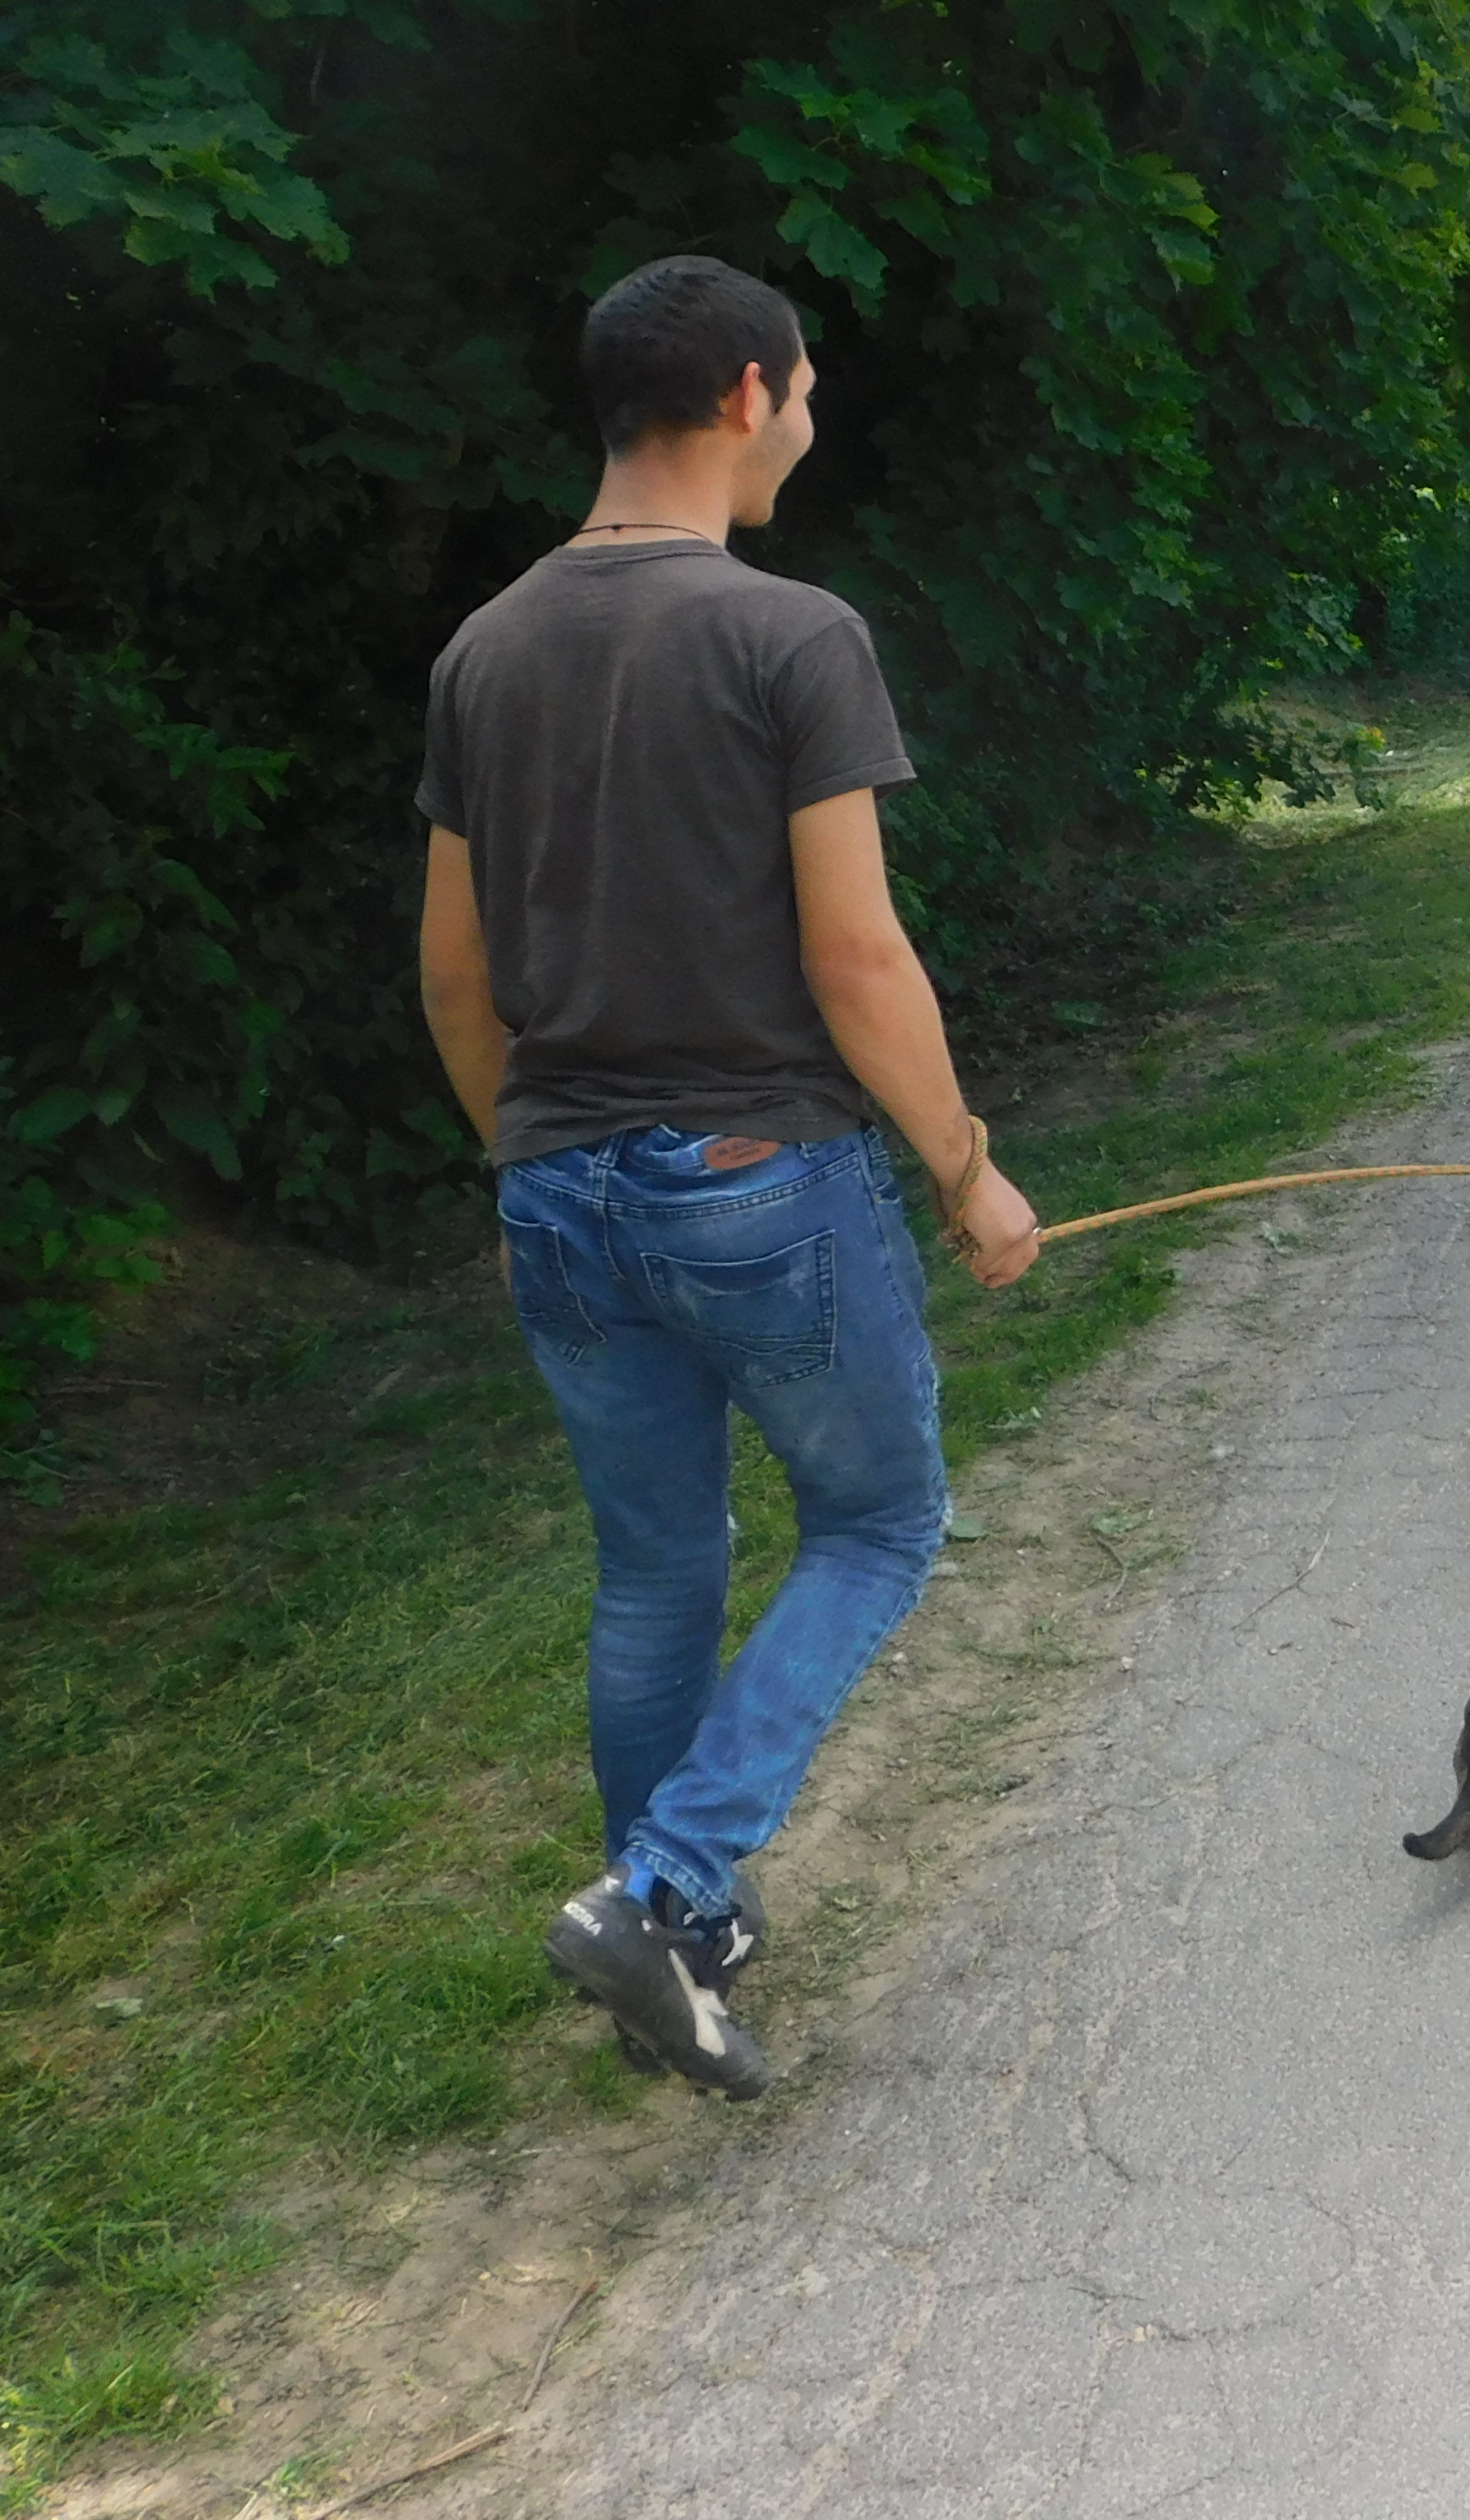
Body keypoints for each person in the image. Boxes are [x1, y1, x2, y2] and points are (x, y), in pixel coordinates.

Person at [416, 254, 1044, 2100]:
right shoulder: (790, 633)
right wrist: (966, 1170)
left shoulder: (482, 651)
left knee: (654, 1575)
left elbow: (453, 980)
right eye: (809, 392)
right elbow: (855, 954)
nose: (811, 424)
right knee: (878, 1522)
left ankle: (660, 1952)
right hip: (761, 1179)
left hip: (556, 1185)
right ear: (749, 392)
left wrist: (531, 1162)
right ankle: (665, 1890)